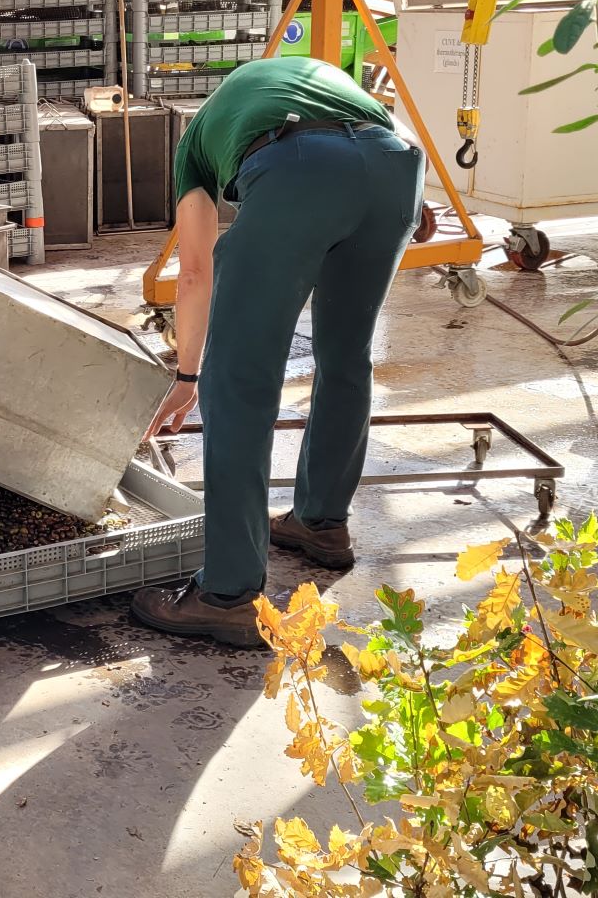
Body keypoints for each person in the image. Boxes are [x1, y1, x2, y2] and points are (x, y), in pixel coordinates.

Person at [128, 55, 421, 648]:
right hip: (395, 164)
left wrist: (186, 375)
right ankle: (321, 524)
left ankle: (228, 595)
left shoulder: (195, 144)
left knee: (238, 380)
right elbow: (369, 143)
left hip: (301, 169)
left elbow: (193, 272)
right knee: (346, 356)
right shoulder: (308, 76)